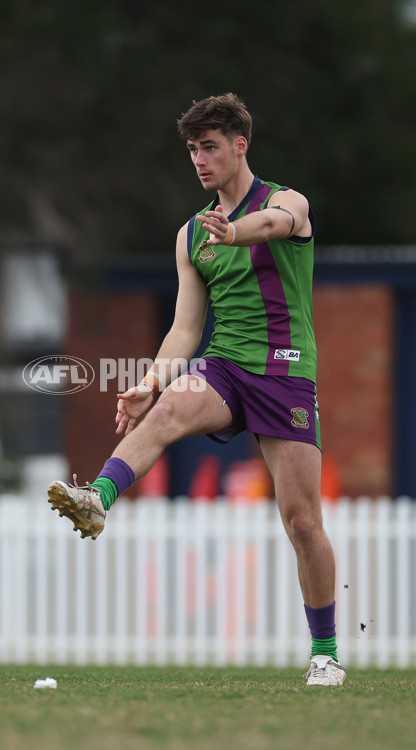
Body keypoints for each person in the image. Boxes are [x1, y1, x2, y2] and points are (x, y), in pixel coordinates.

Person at [47, 93, 345, 687]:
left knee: (302, 521)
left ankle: (326, 652)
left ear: (240, 145)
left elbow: (274, 226)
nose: (200, 160)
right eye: (192, 150)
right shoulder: (190, 236)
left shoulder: (287, 203)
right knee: (170, 406)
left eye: (210, 147)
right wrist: (151, 383)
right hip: (226, 364)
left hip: (285, 370)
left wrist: (235, 233)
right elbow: (185, 326)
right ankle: (99, 498)